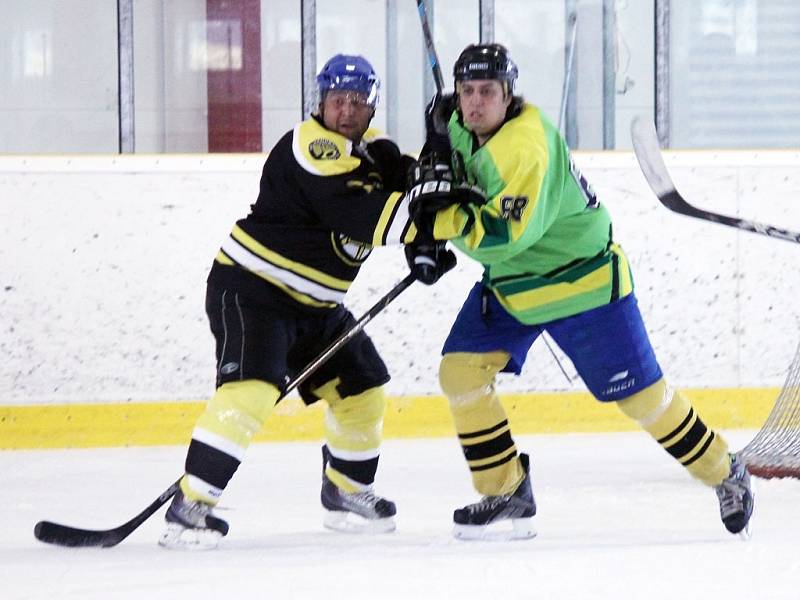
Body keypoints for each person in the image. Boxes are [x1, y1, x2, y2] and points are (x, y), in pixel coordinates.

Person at [408, 43, 754, 541]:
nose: (475, 102)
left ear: (509, 95)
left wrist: (440, 219)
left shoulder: (525, 148)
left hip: (583, 283)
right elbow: (454, 170)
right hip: (515, 286)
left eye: (488, 91)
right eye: (467, 91)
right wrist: (437, 146)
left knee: (645, 400)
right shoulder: (461, 123)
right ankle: (506, 490)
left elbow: (501, 239)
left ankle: (726, 470)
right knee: (460, 371)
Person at [159, 54, 443, 550]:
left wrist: (441, 145)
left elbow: (409, 182)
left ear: (371, 106)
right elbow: (366, 218)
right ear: (321, 101)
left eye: (357, 102)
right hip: (254, 291)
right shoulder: (314, 149)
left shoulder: (374, 149)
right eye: (338, 100)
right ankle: (191, 504)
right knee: (251, 389)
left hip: (314, 307)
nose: (347, 111)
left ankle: (347, 491)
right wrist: (433, 225)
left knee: (362, 386)